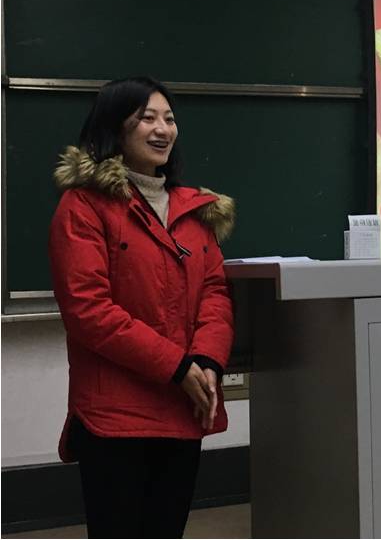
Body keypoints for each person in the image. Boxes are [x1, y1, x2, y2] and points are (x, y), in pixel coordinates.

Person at [48, 77, 235, 538]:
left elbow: (215, 294)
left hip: (183, 407)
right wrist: (178, 366)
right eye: (147, 118)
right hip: (115, 416)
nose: (162, 129)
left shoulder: (194, 211)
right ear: (116, 127)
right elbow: (89, 310)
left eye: (169, 118)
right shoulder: (84, 206)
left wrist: (207, 362)